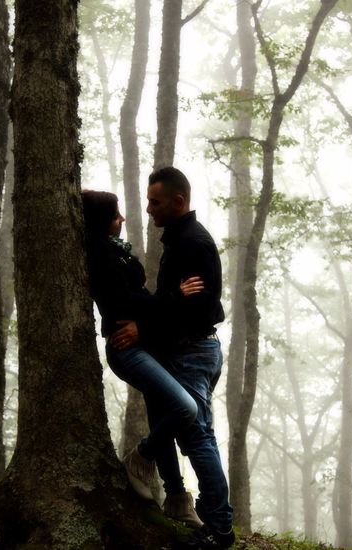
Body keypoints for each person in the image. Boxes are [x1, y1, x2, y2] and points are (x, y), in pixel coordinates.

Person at [110, 167, 235, 549]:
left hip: (193, 351)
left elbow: (194, 312)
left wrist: (144, 329)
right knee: (189, 430)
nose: (148, 209)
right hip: (189, 350)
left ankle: (219, 528)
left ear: (178, 202)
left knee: (198, 436)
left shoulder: (192, 244)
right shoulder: (179, 240)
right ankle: (181, 503)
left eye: (155, 202)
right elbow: (173, 302)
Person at [80, 189, 203, 529]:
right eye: (115, 214)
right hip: (126, 349)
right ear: (102, 222)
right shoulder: (101, 255)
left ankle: (177, 499)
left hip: (145, 343)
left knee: (162, 412)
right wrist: (174, 298)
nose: (122, 219)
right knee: (185, 408)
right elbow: (125, 303)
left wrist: (147, 317)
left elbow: (138, 303)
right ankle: (139, 458)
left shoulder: (114, 252)